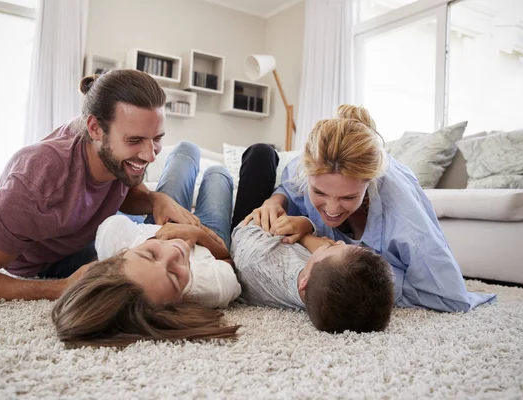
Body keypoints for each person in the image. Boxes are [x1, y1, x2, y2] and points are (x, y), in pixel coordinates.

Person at [0, 70, 200, 301]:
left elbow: (124, 190)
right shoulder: (33, 184)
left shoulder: (118, 151)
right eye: (135, 140)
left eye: (156, 138)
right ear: (95, 128)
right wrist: (62, 287)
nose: (150, 155)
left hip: (90, 227)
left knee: (186, 158)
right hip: (50, 263)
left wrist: (156, 199)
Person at [239, 105, 496, 313]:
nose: (331, 209)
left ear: (370, 182)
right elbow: (289, 187)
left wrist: (319, 245)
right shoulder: (303, 167)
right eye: (318, 192)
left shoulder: (404, 215)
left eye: (348, 197)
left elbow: (449, 296)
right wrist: (276, 200)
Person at [52, 162, 241, 346]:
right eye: (174, 276)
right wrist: (198, 233)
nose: (174, 252)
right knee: (217, 173)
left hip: (159, 226)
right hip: (208, 236)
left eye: (150, 253)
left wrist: (156, 202)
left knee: (184, 155)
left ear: (119, 255)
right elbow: (228, 257)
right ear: (179, 303)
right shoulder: (212, 287)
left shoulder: (115, 239)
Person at [231, 144, 394, 333]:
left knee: (258, 155)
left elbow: (244, 230)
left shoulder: (262, 259)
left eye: (331, 248)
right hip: (278, 235)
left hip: (245, 231)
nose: (339, 241)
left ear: (305, 281)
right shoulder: (323, 289)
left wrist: (306, 233)